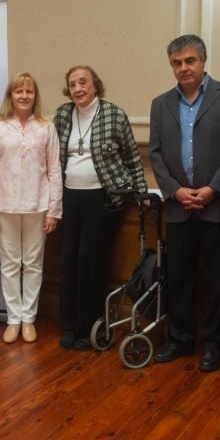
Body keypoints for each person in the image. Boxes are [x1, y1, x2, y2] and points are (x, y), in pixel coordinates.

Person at [149, 35, 220, 371]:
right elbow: (156, 153)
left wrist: (213, 189)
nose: (183, 68)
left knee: (218, 280)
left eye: (189, 61)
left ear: (203, 62)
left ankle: (215, 345)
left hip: (216, 206)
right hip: (178, 207)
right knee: (179, 278)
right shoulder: (160, 104)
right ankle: (179, 339)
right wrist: (174, 190)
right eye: (176, 63)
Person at [53, 65, 147, 350]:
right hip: (69, 197)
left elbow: (132, 156)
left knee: (90, 262)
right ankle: (69, 326)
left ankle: (90, 326)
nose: (78, 88)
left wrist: (141, 192)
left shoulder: (113, 114)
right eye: (73, 84)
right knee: (69, 261)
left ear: (95, 85)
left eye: (84, 82)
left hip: (103, 198)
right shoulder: (62, 115)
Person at [0, 73, 63, 344]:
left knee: (32, 264)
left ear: (35, 96)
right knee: (9, 265)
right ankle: (12, 319)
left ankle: (28, 318)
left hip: (37, 205)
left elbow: (54, 170)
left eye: (29, 91)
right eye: (19, 91)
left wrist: (54, 210)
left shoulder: (46, 126)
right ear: (11, 95)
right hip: (4, 206)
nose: (24, 96)